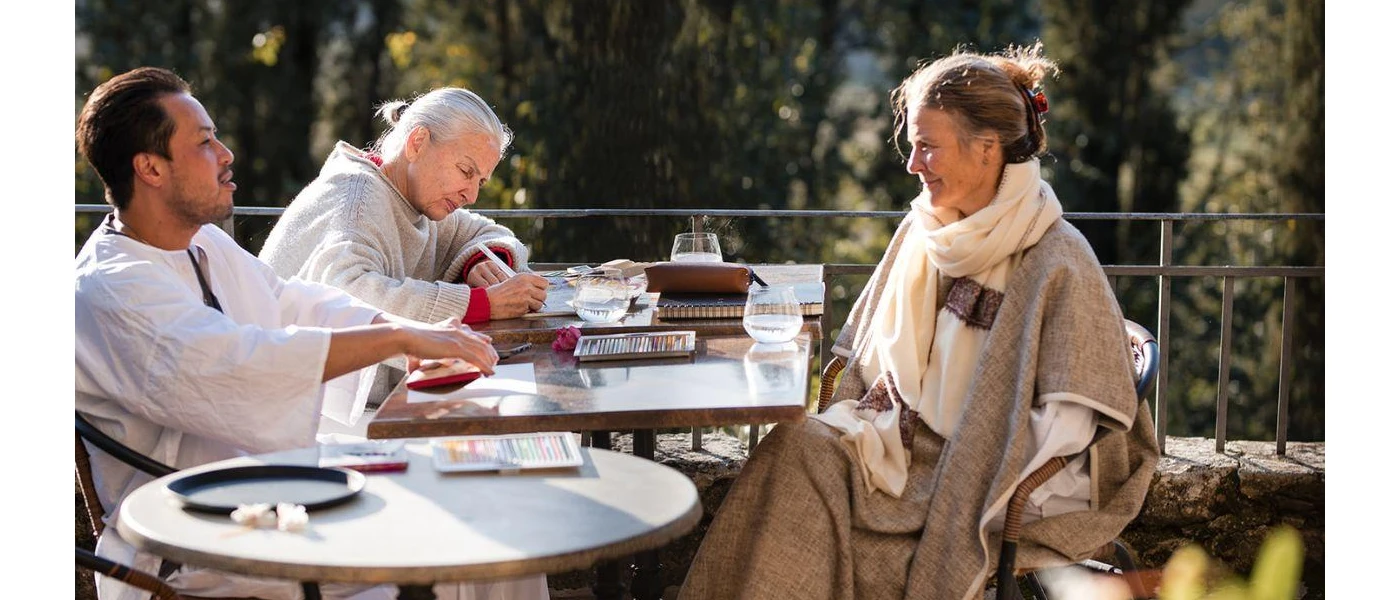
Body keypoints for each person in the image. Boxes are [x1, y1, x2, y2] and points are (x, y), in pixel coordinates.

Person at [677, 44, 1159, 600]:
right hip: (902, 442)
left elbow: (1065, 431)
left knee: (815, 517)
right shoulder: (927, 230)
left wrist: (958, 473)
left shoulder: (1057, 258)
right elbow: (870, 361)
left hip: (989, 475)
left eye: (928, 148)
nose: (912, 165)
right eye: (911, 147)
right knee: (791, 449)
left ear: (987, 149)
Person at [75, 67, 547, 600]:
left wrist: (406, 331)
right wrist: (401, 340)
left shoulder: (201, 242)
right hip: (202, 537)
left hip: (269, 485)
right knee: (474, 529)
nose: (227, 154)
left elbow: (291, 301)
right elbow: (241, 365)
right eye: (205, 142)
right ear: (150, 168)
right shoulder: (115, 287)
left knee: (497, 499)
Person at [258, 87, 548, 326]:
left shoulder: (419, 199)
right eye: (465, 171)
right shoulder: (355, 200)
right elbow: (348, 295)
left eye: (480, 182)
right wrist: (481, 305)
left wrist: (483, 262)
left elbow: (490, 233)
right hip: (294, 393)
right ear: (418, 142)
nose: (471, 195)